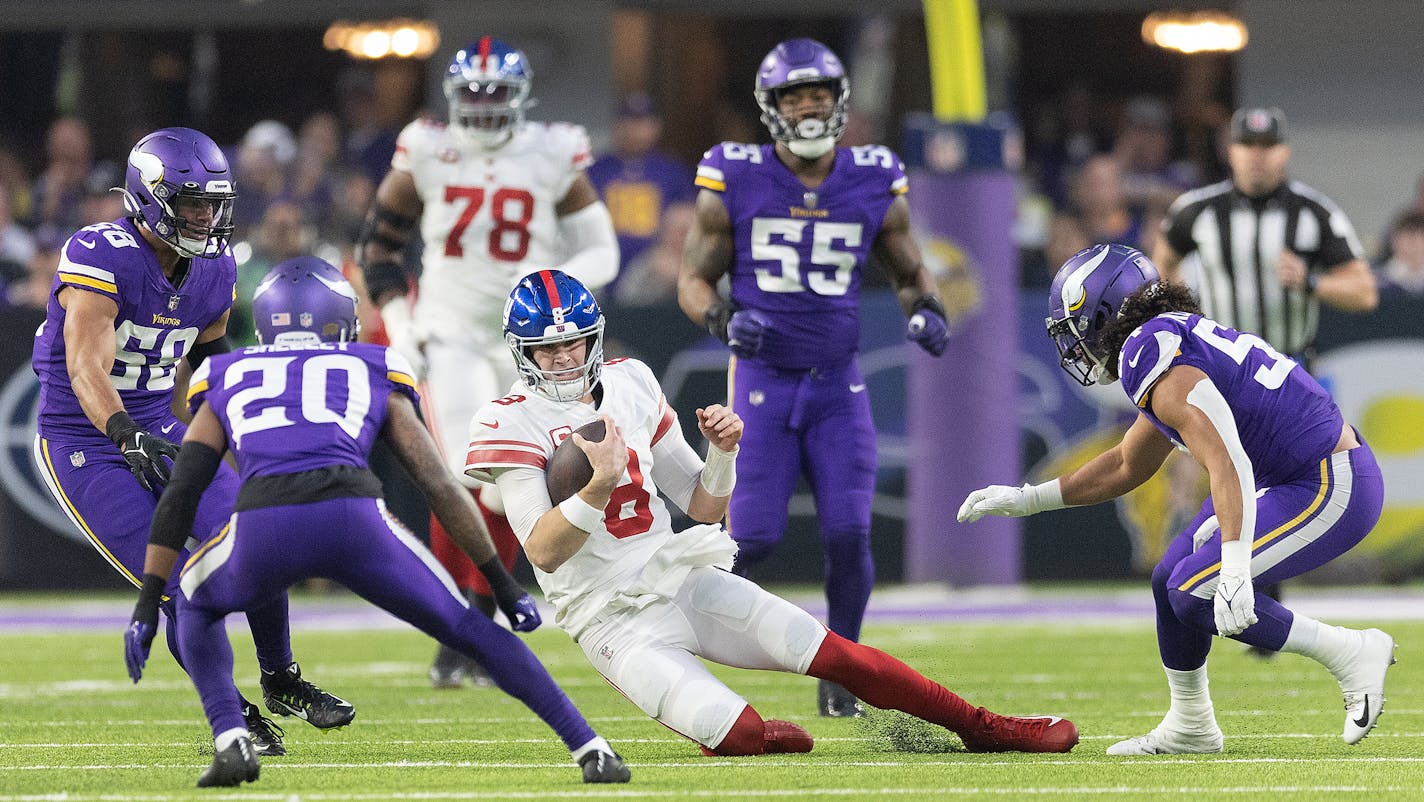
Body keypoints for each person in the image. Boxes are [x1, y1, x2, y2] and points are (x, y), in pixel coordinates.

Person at [465, 269, 1078, 757]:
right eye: (549, 349)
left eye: (574, 341)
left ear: (595, 337)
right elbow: (541, 551)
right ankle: (750, 732)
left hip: (676, 574)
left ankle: (982, 725)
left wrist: (722, 453)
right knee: (743, 738)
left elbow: (704, 508)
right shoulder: (506, 420)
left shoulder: (632, 381)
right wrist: (596, 486)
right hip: (610, 618)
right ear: (523, 353)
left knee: (835, 653)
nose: (566, 359)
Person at [121, 258, 631, 788]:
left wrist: (145, 602)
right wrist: (501, 583)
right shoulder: (371, 365)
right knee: (468, 627)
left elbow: (182, 491)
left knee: (193, 602)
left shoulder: (227, 372)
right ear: (341, 320)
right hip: (354, 520)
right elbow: (438, 484)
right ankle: (590, 748)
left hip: (264, 523)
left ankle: (231, 738)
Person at [959, 244, 1397, 754]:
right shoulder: (1161, 341)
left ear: (1099, 311)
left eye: (1071, 327)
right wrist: (1028, 499)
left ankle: (1351, 652)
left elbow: (1226, 459)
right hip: (1279, 475)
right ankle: (1192, 725)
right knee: (1170, 577)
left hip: (1326, 482)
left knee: (1196, 591)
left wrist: (1234, 566)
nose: (1073, 345)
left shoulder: (1147, 350)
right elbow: (1128, 463)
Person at [30, 127, 350, 757]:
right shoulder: (101, 254)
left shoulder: (217, 267)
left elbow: (211, 362)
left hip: (159, 423)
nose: (205, 216)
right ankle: (231, 716)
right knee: (181, 583)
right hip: (83, 437)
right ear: (148, 198)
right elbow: (84, 370)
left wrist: (255, 430)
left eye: (213, 203)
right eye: (191, 202)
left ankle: (282, 677)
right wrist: (125, 435)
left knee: (259, 536)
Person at [676, 38, 950, 717]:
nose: (807, 107)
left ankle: (846, 670)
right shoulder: (735, 174)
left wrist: (928, 310)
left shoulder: (871, 176)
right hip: (763, 381)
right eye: (794, 97)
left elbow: (909, 270)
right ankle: (671, 626)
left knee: (847, 535)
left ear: (840, 103)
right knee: (754, 537)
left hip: (837, 383)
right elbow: (692, 279)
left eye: (818, 95)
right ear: (771, 109)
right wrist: (720, 318)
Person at [358, 36, 619, 689]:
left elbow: (602, 250)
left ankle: (476, 622)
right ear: (452, 96)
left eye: (492, 91)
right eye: (470, 92)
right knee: (467, 477)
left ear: (519, 96)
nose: (480, 103)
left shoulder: (551, 150)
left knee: (509, 483)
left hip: (528, 342)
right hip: (449, 334)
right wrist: (400, 323)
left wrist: (550, 286)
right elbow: (379, 248)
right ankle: (468, 624)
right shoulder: (428, 148)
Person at [1151, 106, 1378, 640]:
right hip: (1220, 377)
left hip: (1291, 375)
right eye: (1247, 146)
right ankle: (1233, 590)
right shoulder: (1196, 211)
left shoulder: (1313, 214)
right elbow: (1158, 272)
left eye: (1268, 146)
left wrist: (1312, 283)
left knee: (1290, 482)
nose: (1257, 157)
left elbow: (1364, 290)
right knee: (1222, 477)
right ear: (1230, 150)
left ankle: (1253, 591)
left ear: (1285, 151)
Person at [586, 92, 695, 278]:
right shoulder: (597, 170)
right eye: (630, 121)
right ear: (618, 125)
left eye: (643, 122)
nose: (635, 129)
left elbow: (689, 225)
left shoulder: (673, 171)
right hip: (604, 263)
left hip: (653, 268)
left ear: (656, 126)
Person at [1373, 210, 1424, 298]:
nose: (1415, 245)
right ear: (1393, 240)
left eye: (1420, 237)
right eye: (1408, 238)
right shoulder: (1376, 282)